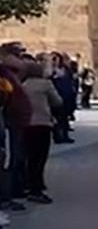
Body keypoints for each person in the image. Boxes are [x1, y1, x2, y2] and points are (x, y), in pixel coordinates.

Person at [22, 57, 62, 204]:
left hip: (26, 124)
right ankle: (36, 188)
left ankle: (29, 184)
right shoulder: (45, 84)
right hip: (42, 122)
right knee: (41, 156)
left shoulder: (23, 85)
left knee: (30, 156)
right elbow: (57, 101)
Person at [0, 42, 32, 212]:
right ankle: (6, 196)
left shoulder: (11, 73)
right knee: (8, 159)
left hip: (14, 121)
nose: (20, 59)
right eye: (16, 54)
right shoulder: (5, 73)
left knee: (13, 158)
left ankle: (10, 193)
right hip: (9, 121)